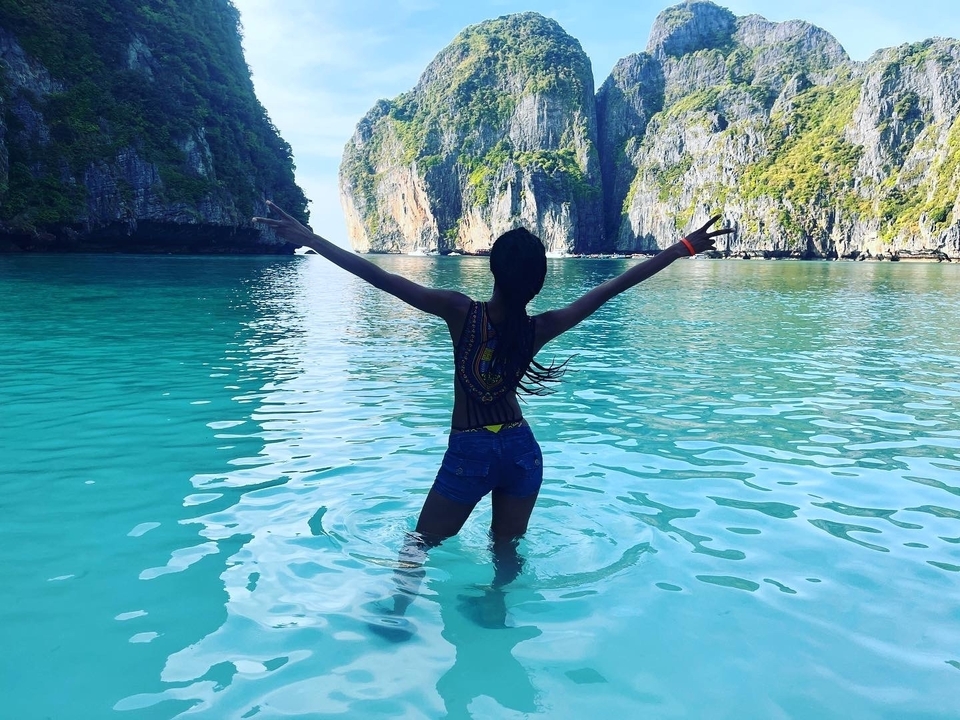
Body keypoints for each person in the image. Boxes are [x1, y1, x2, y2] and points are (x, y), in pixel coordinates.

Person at [254, 202, 732, 624]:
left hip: (471, 450)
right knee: (504, 546)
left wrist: (310, 239)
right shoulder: (542, 326)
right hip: (523, 450)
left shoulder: (460, 312)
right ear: (539, 281)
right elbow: (614, 286)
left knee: (418, 543)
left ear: (493, 273)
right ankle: (496, 605)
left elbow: (380, 277)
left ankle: (395, 616)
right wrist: (680, 248)